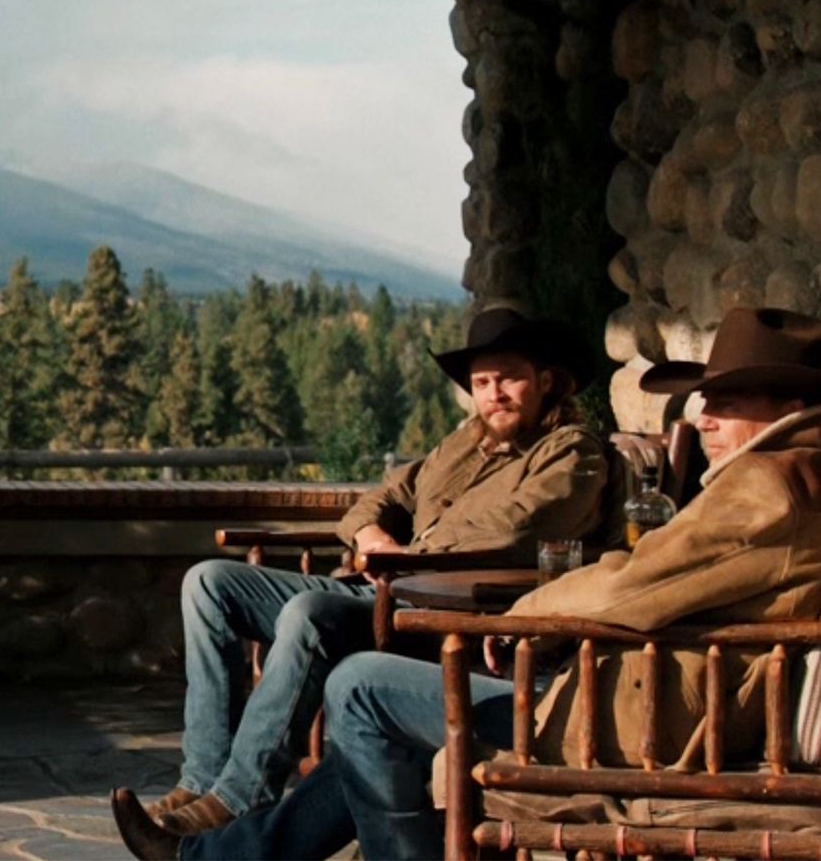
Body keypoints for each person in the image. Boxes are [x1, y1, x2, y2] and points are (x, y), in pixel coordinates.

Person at [113, 307, 821, 860]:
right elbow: (383, 499)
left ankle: (227, 840)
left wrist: (522, 617)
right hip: (627, 686)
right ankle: (215, 843)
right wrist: (379, 534)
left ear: (793, 407)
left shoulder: (762, 490)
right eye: (706, 397)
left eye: (728, 399)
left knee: (358, 686)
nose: (707, 413)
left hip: (644, 714)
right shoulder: (781, 479)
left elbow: (628, 586)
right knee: (256, 614)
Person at [125, 307, 611, 837]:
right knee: (210, 583)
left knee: (311, 613)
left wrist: (406, 557)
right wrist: (370, 538)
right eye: (482, 382)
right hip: (378, 591)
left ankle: (239, 800)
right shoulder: (461, 445)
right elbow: (378, 499)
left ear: (545, 380)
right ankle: (200, 781)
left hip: (447, 619)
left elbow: (520, 528)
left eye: (509, 378)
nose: (494, 393)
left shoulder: (572, 453)